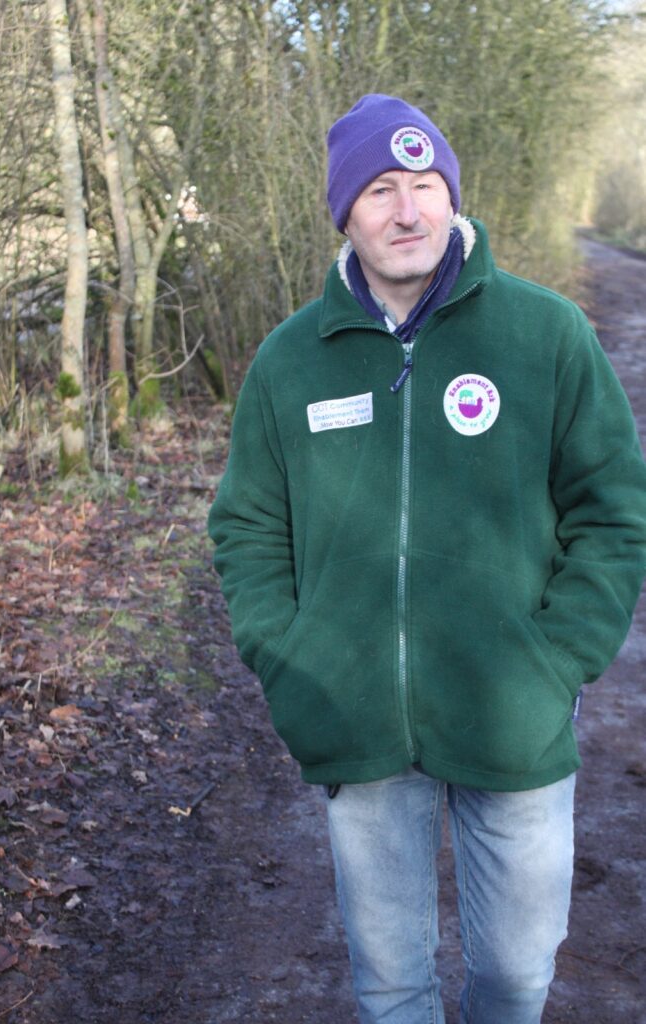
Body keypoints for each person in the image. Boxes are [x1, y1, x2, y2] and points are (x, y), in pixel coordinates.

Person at [207, 94, 646, 1024]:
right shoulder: (291, 361)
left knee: (519, 979)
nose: (407, 212)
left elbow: (613, 513)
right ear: (344, 213)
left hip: (512, 715)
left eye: (424, 187)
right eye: (379, 191)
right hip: (356, 724)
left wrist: (558, 658)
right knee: (392, 988)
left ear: (452, 199)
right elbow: (246, 526)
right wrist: (292, 662)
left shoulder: (546, 335)